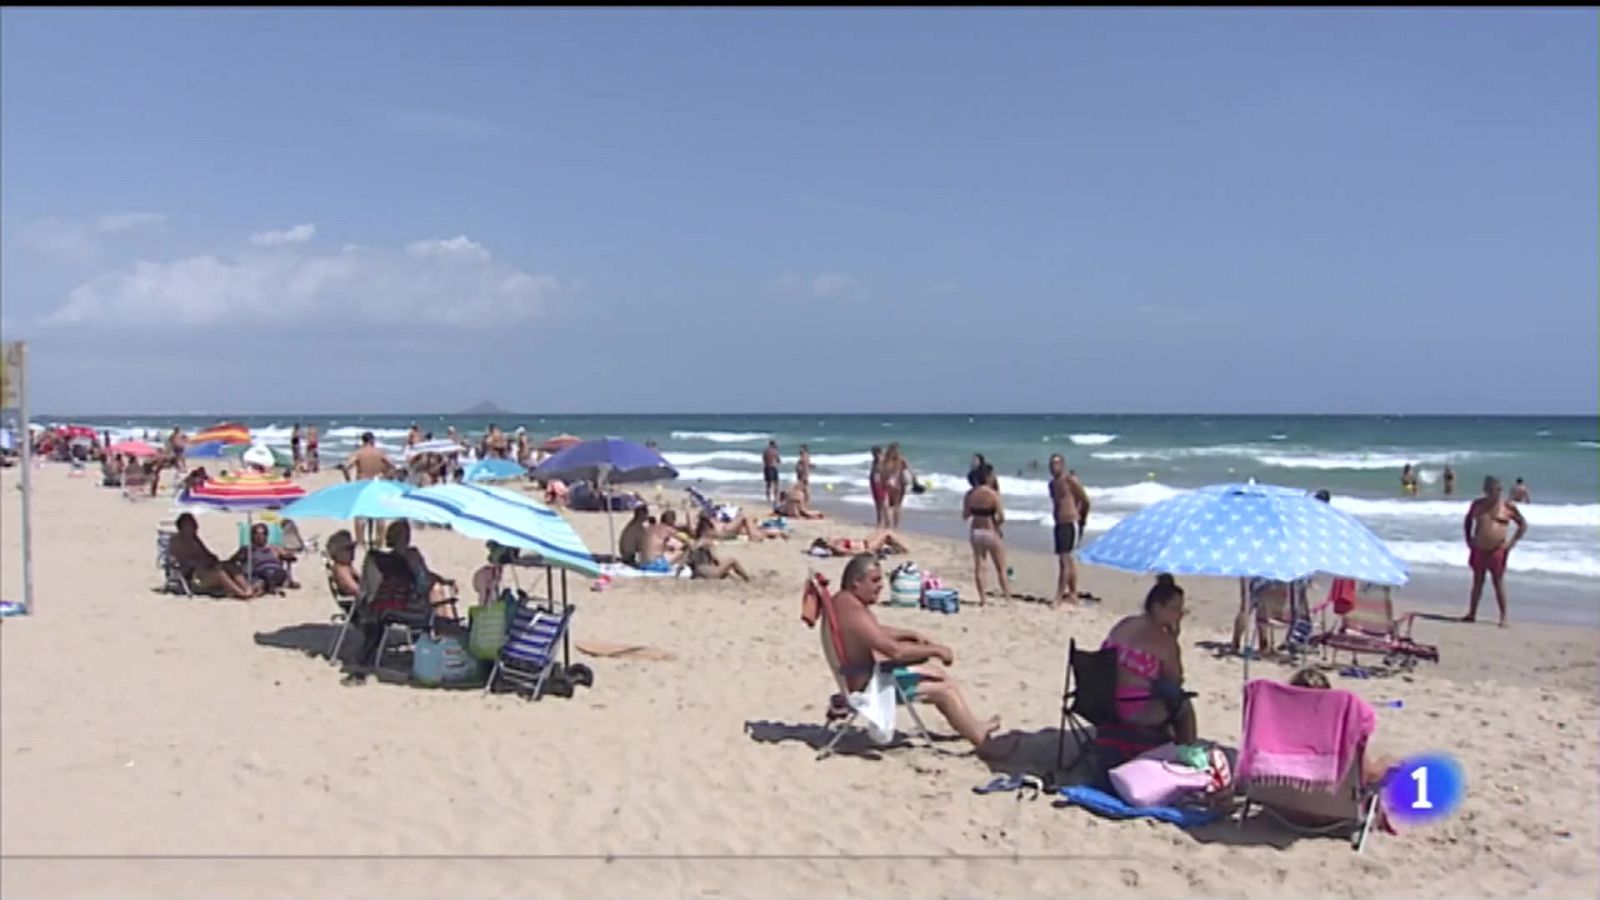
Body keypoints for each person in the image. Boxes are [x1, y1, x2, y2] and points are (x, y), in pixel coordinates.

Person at [826, 554, 1020, 760]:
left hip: (863, 674)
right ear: (856, 582)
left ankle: (974, 726)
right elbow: (895, 652)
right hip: (870, 688)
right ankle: (984, 744)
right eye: (875, 580)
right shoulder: (854, 611)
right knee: (944, 691)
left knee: (938, 674)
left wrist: (908, 634)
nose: (881, 586)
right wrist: (935, 650)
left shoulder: (843, 602)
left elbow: (873, 631)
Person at [1102, 575, 1198, 744]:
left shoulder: (1125, 623)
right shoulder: (1164, 642)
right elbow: (1175, 680)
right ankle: (1188, 753)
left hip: (1103, 701)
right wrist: (1173, 639)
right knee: (1183, 705)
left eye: (1181, 609)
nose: (1180, 614)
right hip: (1133, 708)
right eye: (1175, 609)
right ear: (1157, 607)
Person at [1463, 476, 1527, 627]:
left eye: (1496, 490)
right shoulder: (1477, 505)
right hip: (1479, 548)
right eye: (1489, 490)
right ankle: (1472, 613)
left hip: (1497, 550)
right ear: (1485, 490)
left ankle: (1503, 617)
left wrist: (1511, 543)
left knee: (1498, 582)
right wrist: (1468, 539)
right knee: (1477, 581)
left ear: (1500, 490)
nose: (1493, 493)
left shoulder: (1508, 507)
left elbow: (1522, 525)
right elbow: (1467, 521)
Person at [168, 512, 260, 599]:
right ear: (182, 526)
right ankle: (242, 594)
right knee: (220, 574)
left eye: (193, 523)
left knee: (231, 566)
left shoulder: (194, 539)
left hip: (206, 568)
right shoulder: (176, 541)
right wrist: (203, 563)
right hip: (195, 575)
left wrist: (213, 560)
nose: (193, 526)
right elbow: (181, 561)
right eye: (189, 524)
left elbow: (206, 553)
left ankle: (247, 588)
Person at [962, 463, 1011, 605]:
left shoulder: (970, 494)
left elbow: (965, 515)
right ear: (988, 477)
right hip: (990, 530)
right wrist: (997, 525)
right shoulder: (992, 494)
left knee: (980, 566)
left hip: (976, 531)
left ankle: (983, 599)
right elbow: (1001, 517)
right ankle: (1007, 598)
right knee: (1000, 567)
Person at [1048, 454, 1092, 609]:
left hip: (1070, 522)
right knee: (1067, 560)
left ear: (1063, 465)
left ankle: (1058, 597)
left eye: (1057, 464)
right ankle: (1073, 593)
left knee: (1065, 560)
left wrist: (1081, 519)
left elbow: (1085, 500)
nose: (1054, 467)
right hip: (1059, 523)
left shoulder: (1070, 481)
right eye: (1051, 464)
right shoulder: (1052, 484)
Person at [230, 522, 298, 592]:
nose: (259, 536)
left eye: (263, 533)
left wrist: (288, 556)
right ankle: (270, 585)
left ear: (266, 535)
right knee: (263, 577)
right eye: (256, 533)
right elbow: (232, 561)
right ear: (252, 535)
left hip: (276, 572)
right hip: (258, 574)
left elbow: (289, 557)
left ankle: (273, 584)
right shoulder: (247, 549)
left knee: (275, 574)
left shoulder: (274, 548)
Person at [685, 516, 751, 581]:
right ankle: (747, 578)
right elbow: (716, 560)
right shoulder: (707, 542)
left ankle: (735, 578)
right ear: (707, 530)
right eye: (712, 529)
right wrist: (726, 568)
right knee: (732, 560)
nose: (713, 531)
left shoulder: (696, 542)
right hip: (707, 573)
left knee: (725, 574)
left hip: (696, 573)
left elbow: (688, 561)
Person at [879, 443, 913, 530]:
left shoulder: (899, 459)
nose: (896, 452)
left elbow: (909, 471)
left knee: (895, 506)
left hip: (898, 485)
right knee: (888, 505)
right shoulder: (887, 460)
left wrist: (914, 481)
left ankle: (894, 526)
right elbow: (882, 473)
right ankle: (889, 524)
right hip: (890, 485)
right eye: (895, 450)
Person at [808, 530, 908, 557]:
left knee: (882, 531)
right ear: (826, 544)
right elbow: (850, 553)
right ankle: (904, 549)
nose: (829, 538)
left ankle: (897, 548)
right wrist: (866, 552)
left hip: (865, 541)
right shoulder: (836, 548)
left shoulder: (836, 543)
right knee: (887, 534)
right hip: (866, 546)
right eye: (827, 540)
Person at [326, 530, 362, 598]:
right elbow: (354, 588)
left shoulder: (346, 565)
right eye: (348, 550)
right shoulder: (341, 570)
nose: (352, 553)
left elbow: (361, 579)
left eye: (352, 549)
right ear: (338, 553)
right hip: (354, 599)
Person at [868, 446, 888, 529]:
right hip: (874, 483)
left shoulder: (882, 462)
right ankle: (880, 521)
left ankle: (885, 522)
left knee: (882, 503)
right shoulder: (875, 461)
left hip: (879, 483)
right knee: (878, 504)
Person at [762, 440, 781, 504]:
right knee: (776, 483)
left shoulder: (766, 451)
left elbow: (763, 459)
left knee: (768, 484)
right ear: (773, 445)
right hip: (773, 467)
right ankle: (776, 498)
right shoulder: (775, 451)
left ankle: (768, 498)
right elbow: (778, 460)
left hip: (767, 467)